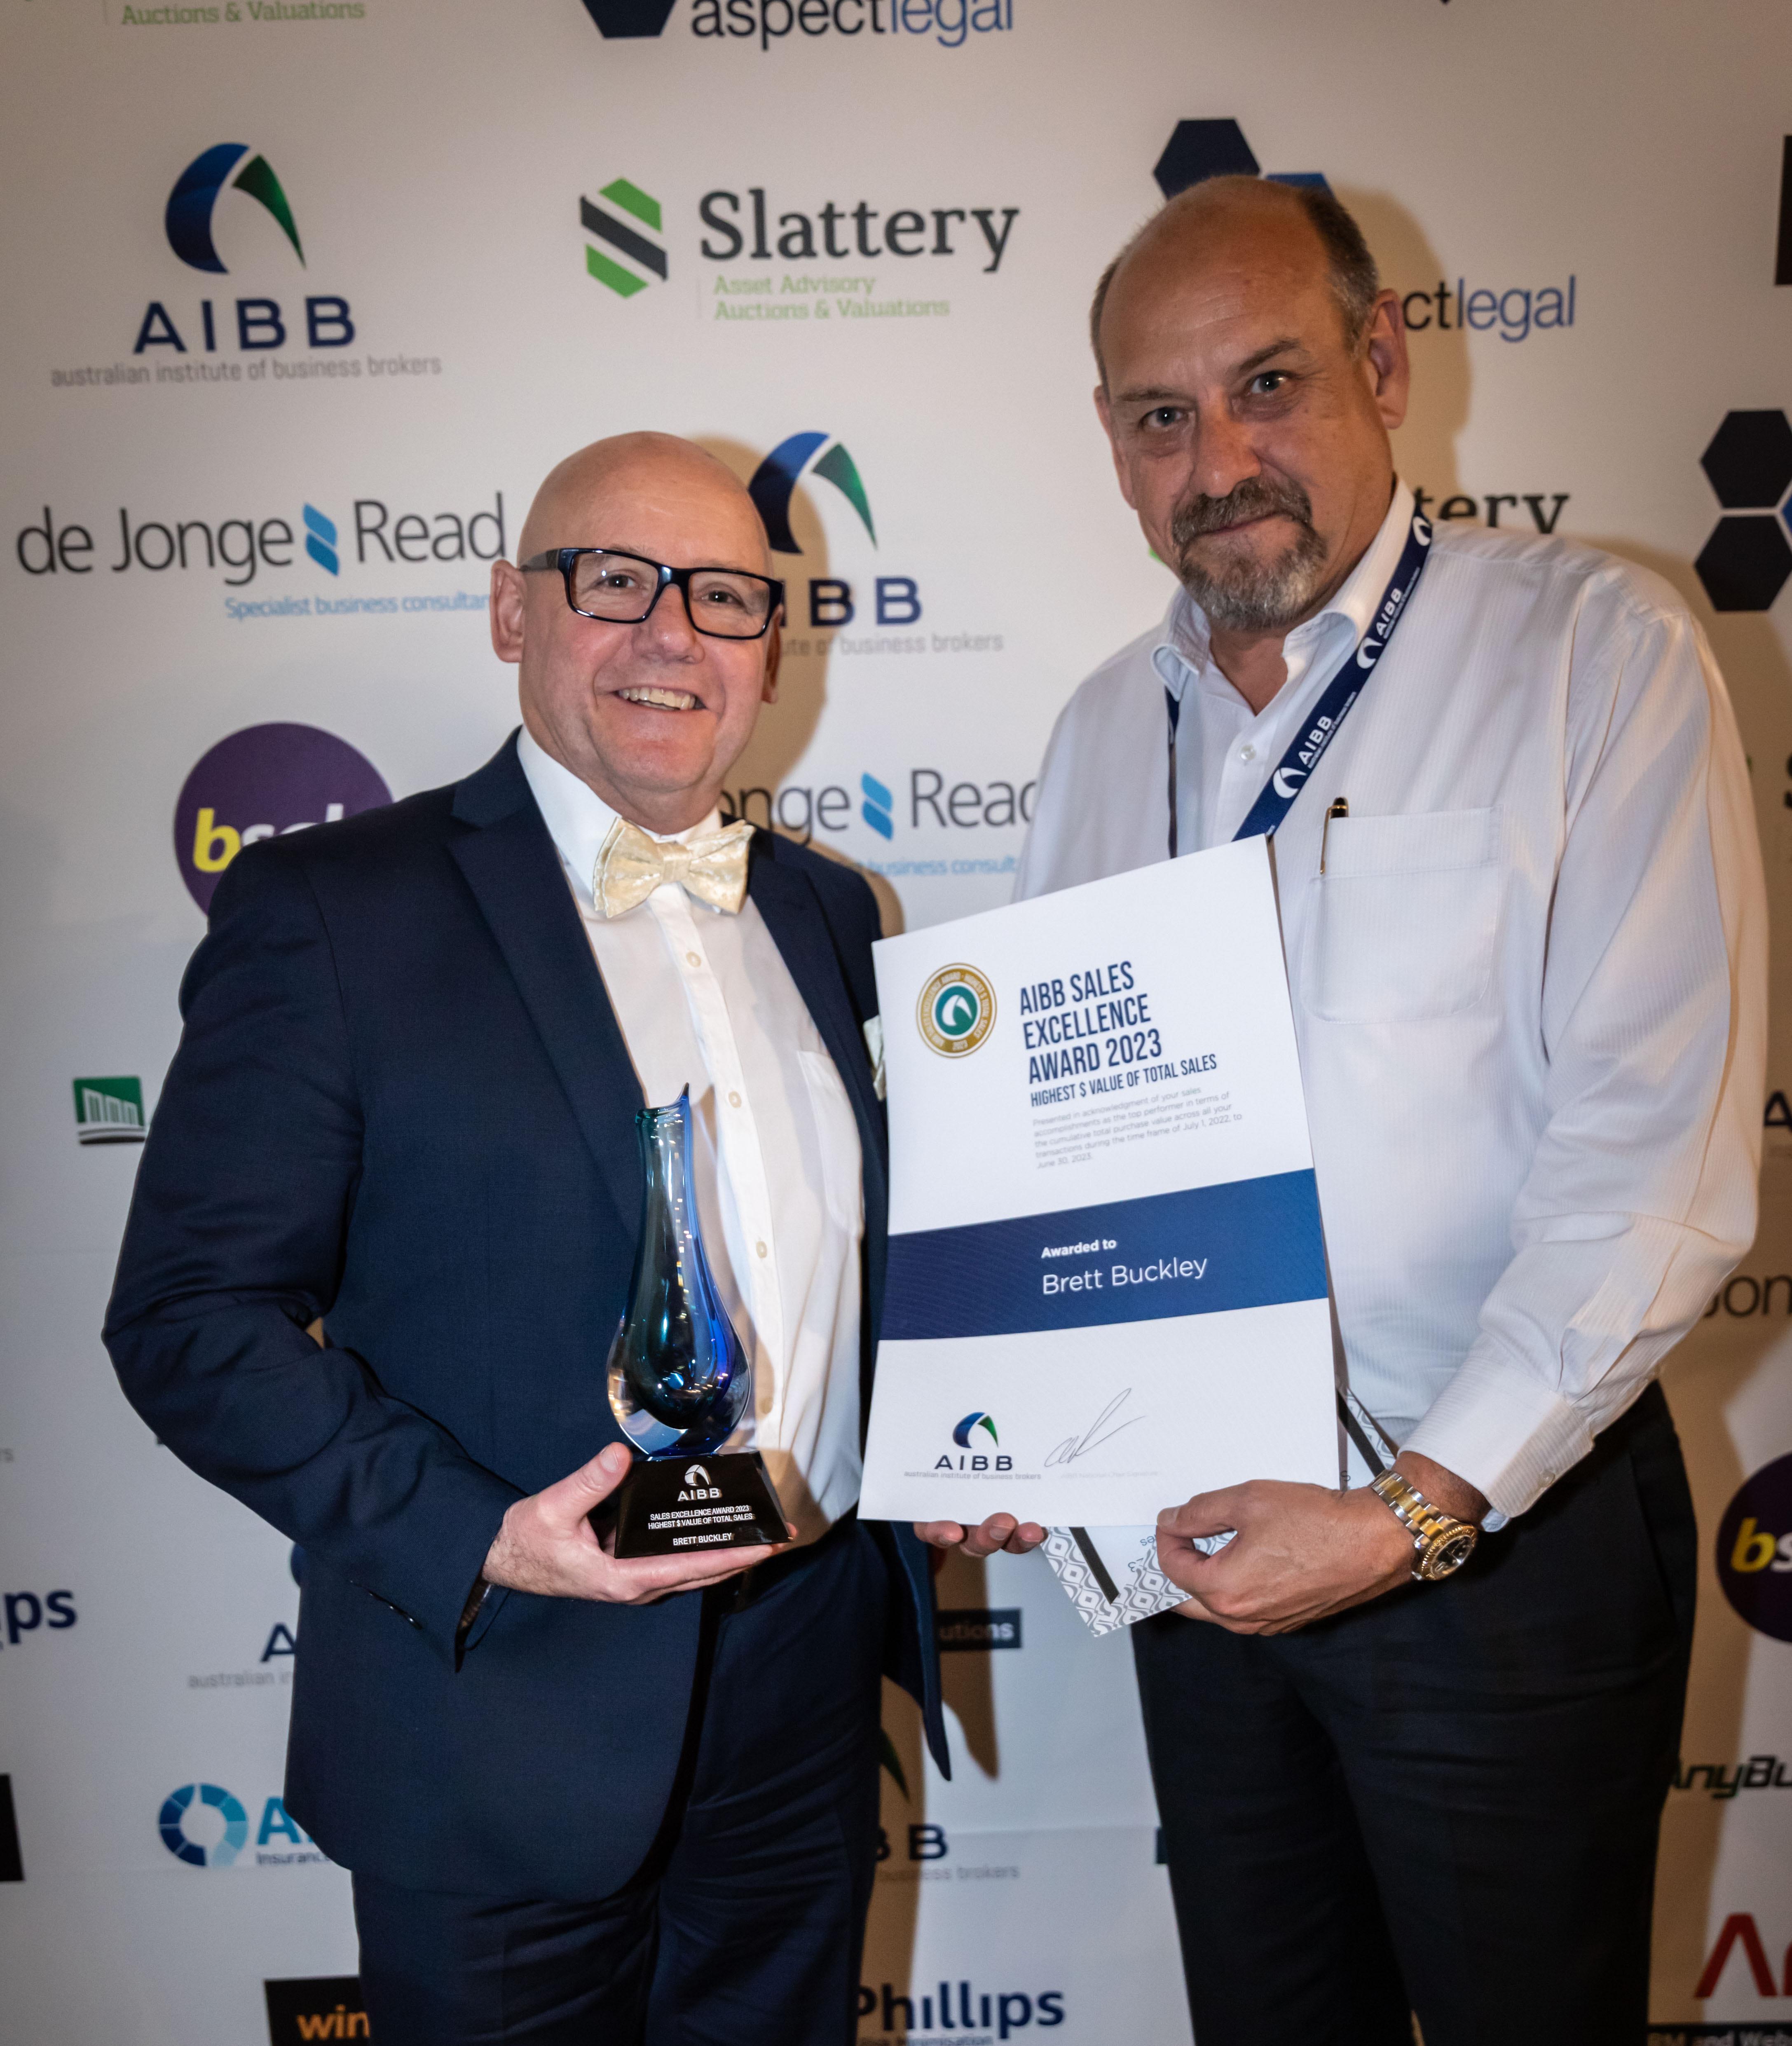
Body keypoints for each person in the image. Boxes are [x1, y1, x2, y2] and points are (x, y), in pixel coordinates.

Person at [925, 176, 1767, 2044]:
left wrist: (1407, 1517)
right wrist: (1014, 1420)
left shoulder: (1591, 653)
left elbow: (1651, 1165)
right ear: (1110, 443)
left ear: (1383, 363)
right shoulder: (1097, 731)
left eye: (1269, 385)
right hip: (1205, 1547)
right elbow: (1052, 1142)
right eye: (1162, 416)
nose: (1219, 462)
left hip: (1494, 1545)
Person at [105, 432, 945, 2046]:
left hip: (804, 1682)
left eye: (724, 595)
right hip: (498, 1706)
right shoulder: (332, 911)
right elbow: (189, 1319)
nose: (670, 632)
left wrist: (966, 1447)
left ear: (771, 646)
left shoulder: (829, 911)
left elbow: (852, 1272)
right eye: (613, 581)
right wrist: (484, 1538)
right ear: (511, 610)